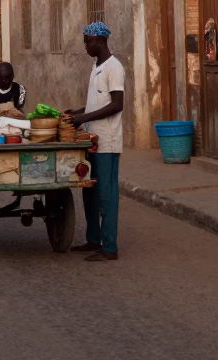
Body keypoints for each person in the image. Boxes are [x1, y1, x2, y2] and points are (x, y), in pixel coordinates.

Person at [64, 22, 124, 261]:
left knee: (106, 195)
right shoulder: (96, 65)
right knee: (89, 191)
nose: (85, 45)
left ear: (100, 41)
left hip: (107, 142)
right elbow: (98, 101)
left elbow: (117, 104)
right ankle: (93, 239)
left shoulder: (114, 67)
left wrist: (84, 117)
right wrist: (78, 113)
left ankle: (109, 248)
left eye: (87, 41)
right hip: (91, 139)